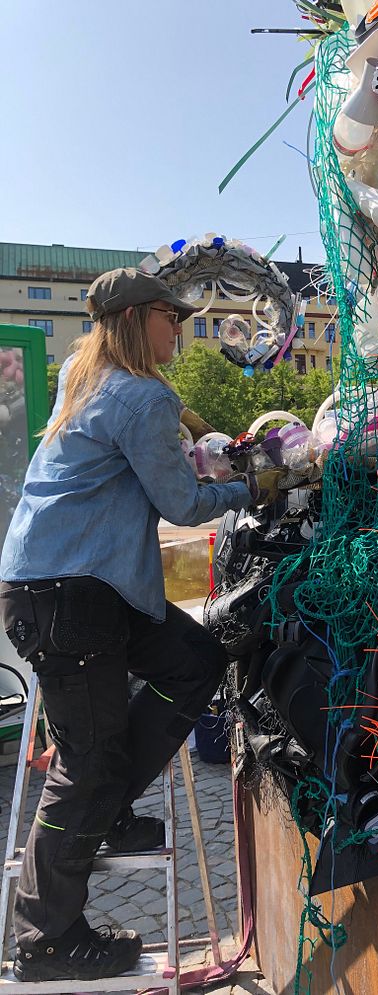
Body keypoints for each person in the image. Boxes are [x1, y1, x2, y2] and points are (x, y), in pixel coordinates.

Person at [0, 268, 253, 983]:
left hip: (76, 588)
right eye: (172, 317)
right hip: (71, 595)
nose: (180, 327)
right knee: (83, 765)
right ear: (139, 318)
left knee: (194, 658)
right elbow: (179, 499)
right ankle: (46, 936)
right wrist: (253, 485)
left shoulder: (86, 384)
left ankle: (110, 809)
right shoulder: (141, 394)